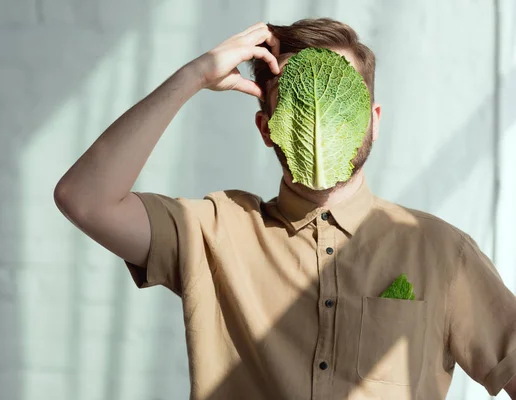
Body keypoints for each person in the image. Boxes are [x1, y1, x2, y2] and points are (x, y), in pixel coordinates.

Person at [54, 18, 516, 400]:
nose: (319, 121)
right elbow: (84, 199)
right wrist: (194, 75)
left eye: (341, 103)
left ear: (372, 121)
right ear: (266, 127)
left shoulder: (440, 251)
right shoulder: (214, 230)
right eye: (298, 103)